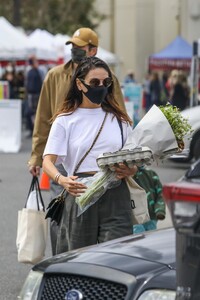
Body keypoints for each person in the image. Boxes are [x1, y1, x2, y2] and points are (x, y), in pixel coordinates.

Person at [28, 27, 126, 254]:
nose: (74, 50)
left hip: (104, 167)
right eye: (72, 46)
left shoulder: (107, 79)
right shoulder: (54, 76)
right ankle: (63, 258)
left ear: (93, 50)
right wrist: (36, 156)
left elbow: (118, 112)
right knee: (63, 217)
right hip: (63, 156)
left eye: (80, 47)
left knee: (109, 238)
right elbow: (43, 117)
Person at [42, 56, 138, 253]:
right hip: (79, 191)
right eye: (95, 82)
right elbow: (47, 161)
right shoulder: (65, 120)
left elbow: (135, 162)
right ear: (80, 83)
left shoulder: (121, 120)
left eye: (106, 82)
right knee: (77, 258)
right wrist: (62, 180)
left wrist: (130, 169)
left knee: (117, 257)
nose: (101, 86)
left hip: (115, 192)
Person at [132, 167, 166, 234]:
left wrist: (159, 210)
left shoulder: (150, 174)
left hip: (151, 216)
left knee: (150, 238)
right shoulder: (125, 177)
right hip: (134, 218)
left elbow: (161, 194)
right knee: (138, 238)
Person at [25, 57, 43, 137]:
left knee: (34, 113)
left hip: (34, 95)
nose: (37, 63)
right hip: (34, 95)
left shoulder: (32, 72)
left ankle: (34, 130)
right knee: (34, 113)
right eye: (36, 61)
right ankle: (34, 130)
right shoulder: (34, 72)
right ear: (33, 63)